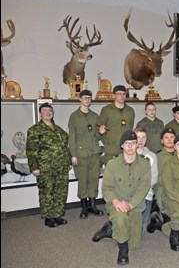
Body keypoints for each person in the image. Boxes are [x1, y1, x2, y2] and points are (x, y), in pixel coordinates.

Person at [91, 130, 151, 265]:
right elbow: (107, 188)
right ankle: (123, 251)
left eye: (133, 143)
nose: (130, 146)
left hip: (135, 206)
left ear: (137, 145)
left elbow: (144, 187)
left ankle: (109, 229)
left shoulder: (144, 164)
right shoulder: (112, 164)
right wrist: (116, 201)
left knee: (135, 244)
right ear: (122, 146)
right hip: (116, 204)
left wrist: (131, 205)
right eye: (126, 143)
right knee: (121, 219)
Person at [26, 102, 72, 228]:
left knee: (60, 192)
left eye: (49, 110)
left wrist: (68, 162)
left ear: (53, 113)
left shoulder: (59, 131)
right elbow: (31, 150)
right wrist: (34, 166)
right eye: (45, 110)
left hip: (61, 167)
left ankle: (57, 215)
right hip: (45, 167)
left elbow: (65, 147)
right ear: (41, 113)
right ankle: (48, 217)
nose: (47, 112)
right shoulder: (35, 130)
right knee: (47, 192)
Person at [68, 89, 105, 219]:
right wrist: (73, 155)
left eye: (89, 98)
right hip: (80, 154)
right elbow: (71, 137)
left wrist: (100, 132)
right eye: (85, 98)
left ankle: (92, 205)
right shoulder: (74, 116)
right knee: (83, 180)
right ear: (80, 99)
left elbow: (96, 136)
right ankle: (84, 207)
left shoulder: (95, 116)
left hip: (94, 152)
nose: (87, 100)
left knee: (94, 179)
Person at [147, 126, 176, 233]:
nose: (169, 139)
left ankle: (157, 221)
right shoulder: (157, 156)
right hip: (163, 187)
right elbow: (156, 178)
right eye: (166, 137)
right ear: (161, 141)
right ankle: (164, 218)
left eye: (172, 137)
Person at [98, 85, 135, 165]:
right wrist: (108, 142)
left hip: (126, 151)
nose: (122, 96)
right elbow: (100, 129)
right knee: (111, 176)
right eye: (119, 94)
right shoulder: (106, 110)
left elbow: (130, 129)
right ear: (114, 95)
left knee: (126, 176)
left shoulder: (130, 111)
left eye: (124, 94)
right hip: (111, 152)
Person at [134, 127, 158, 231]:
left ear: (146, 139)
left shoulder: (152, 156)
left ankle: (153, 217)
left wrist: (140, 190)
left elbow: (154, 178)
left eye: (143, 137)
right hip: (129, 195)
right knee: (131, 227)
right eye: (138, 137)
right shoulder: (127, 155)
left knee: (143, 229)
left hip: (145, 194)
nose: (140, 140)